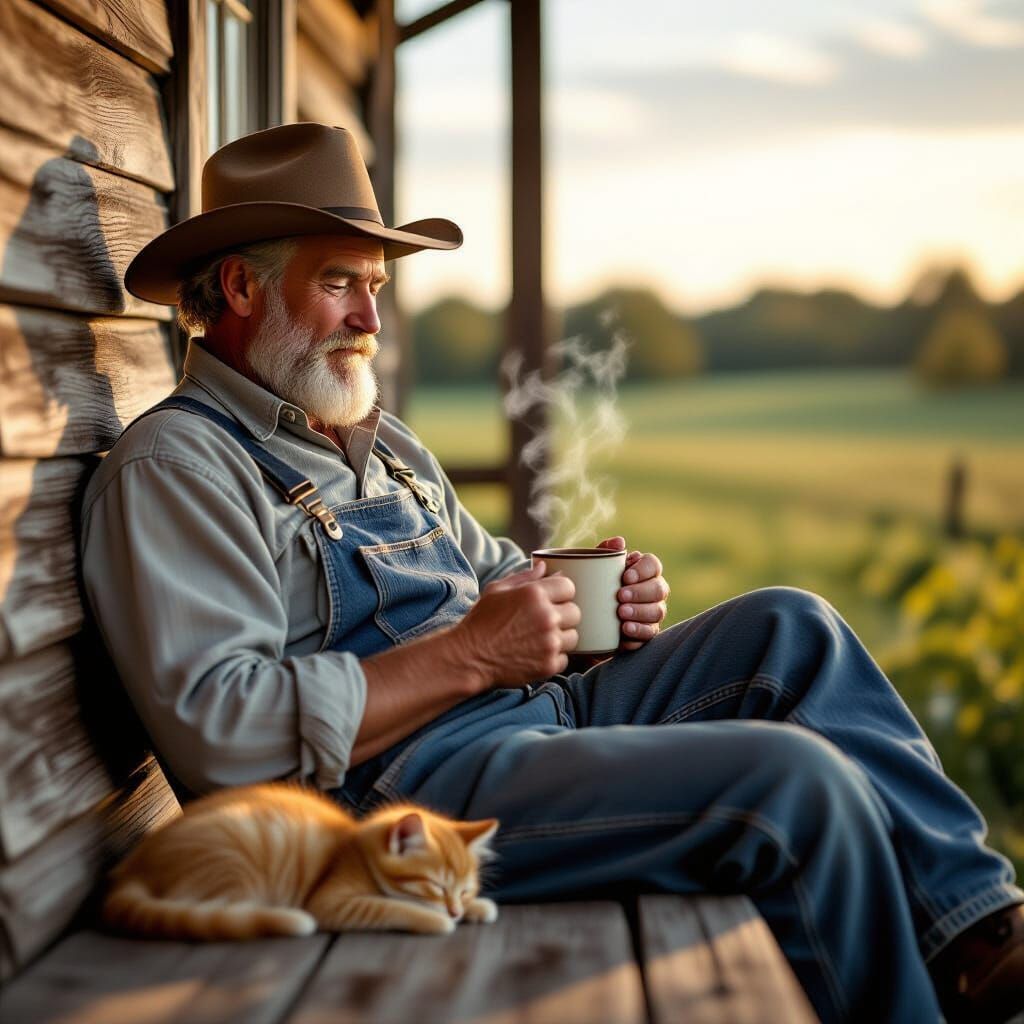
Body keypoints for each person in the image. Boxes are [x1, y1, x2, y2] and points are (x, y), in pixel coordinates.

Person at [80, 122, 1024, 1023]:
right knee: (791, 789)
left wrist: (588, 605)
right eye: (340, 284)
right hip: (403, 813)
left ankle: (977, 938)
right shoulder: (178, 470)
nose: (372, 317)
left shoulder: (381, 440)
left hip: (532, 721)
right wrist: (473, 657)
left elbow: (491, 578)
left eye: (375, 285)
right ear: (241, 287)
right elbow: (221, 731)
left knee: (793, 628)